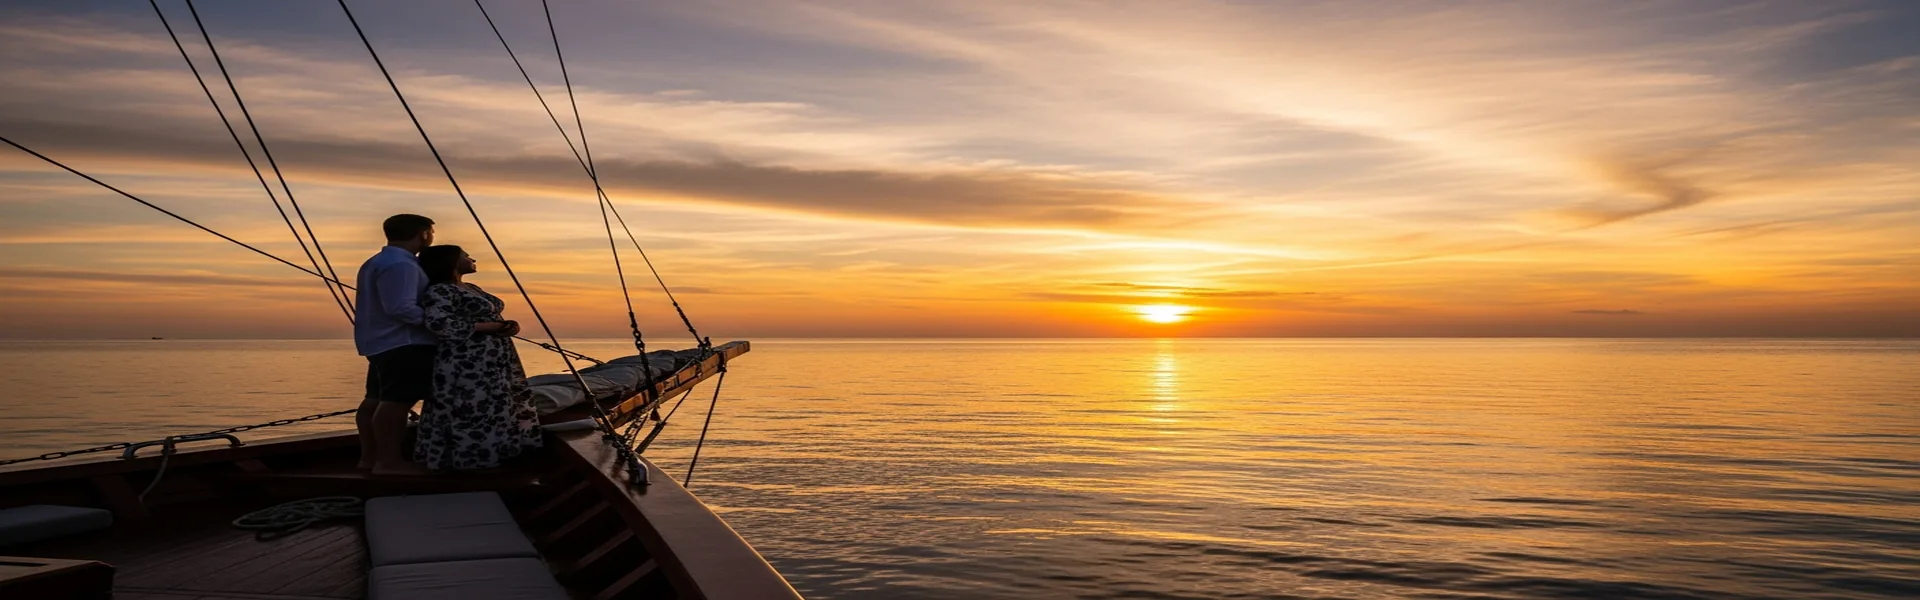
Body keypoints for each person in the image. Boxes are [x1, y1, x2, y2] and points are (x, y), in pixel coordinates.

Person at [413, 245, 544, 470]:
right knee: (472, 408)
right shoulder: (440, 291)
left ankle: (496, 453)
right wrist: (491, 326)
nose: (472, 258)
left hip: (493, 358)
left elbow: (490, 316)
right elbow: (439, 324)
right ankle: (468, 461)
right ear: (451, 261)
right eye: (465, 256)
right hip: (467, 361)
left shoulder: (471, 287)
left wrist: (508, 325)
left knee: (496, 404)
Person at [353, 214, 437, 476]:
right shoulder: (402, 264)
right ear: (423, 233)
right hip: (403, 342)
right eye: (431, 232)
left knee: (374, 400)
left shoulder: (377, 262)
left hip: (380, 342)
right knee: (396, 403)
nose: (432, 237)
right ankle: (389, 463)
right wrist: (437, 323)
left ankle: (369, 459)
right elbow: (400, 307)